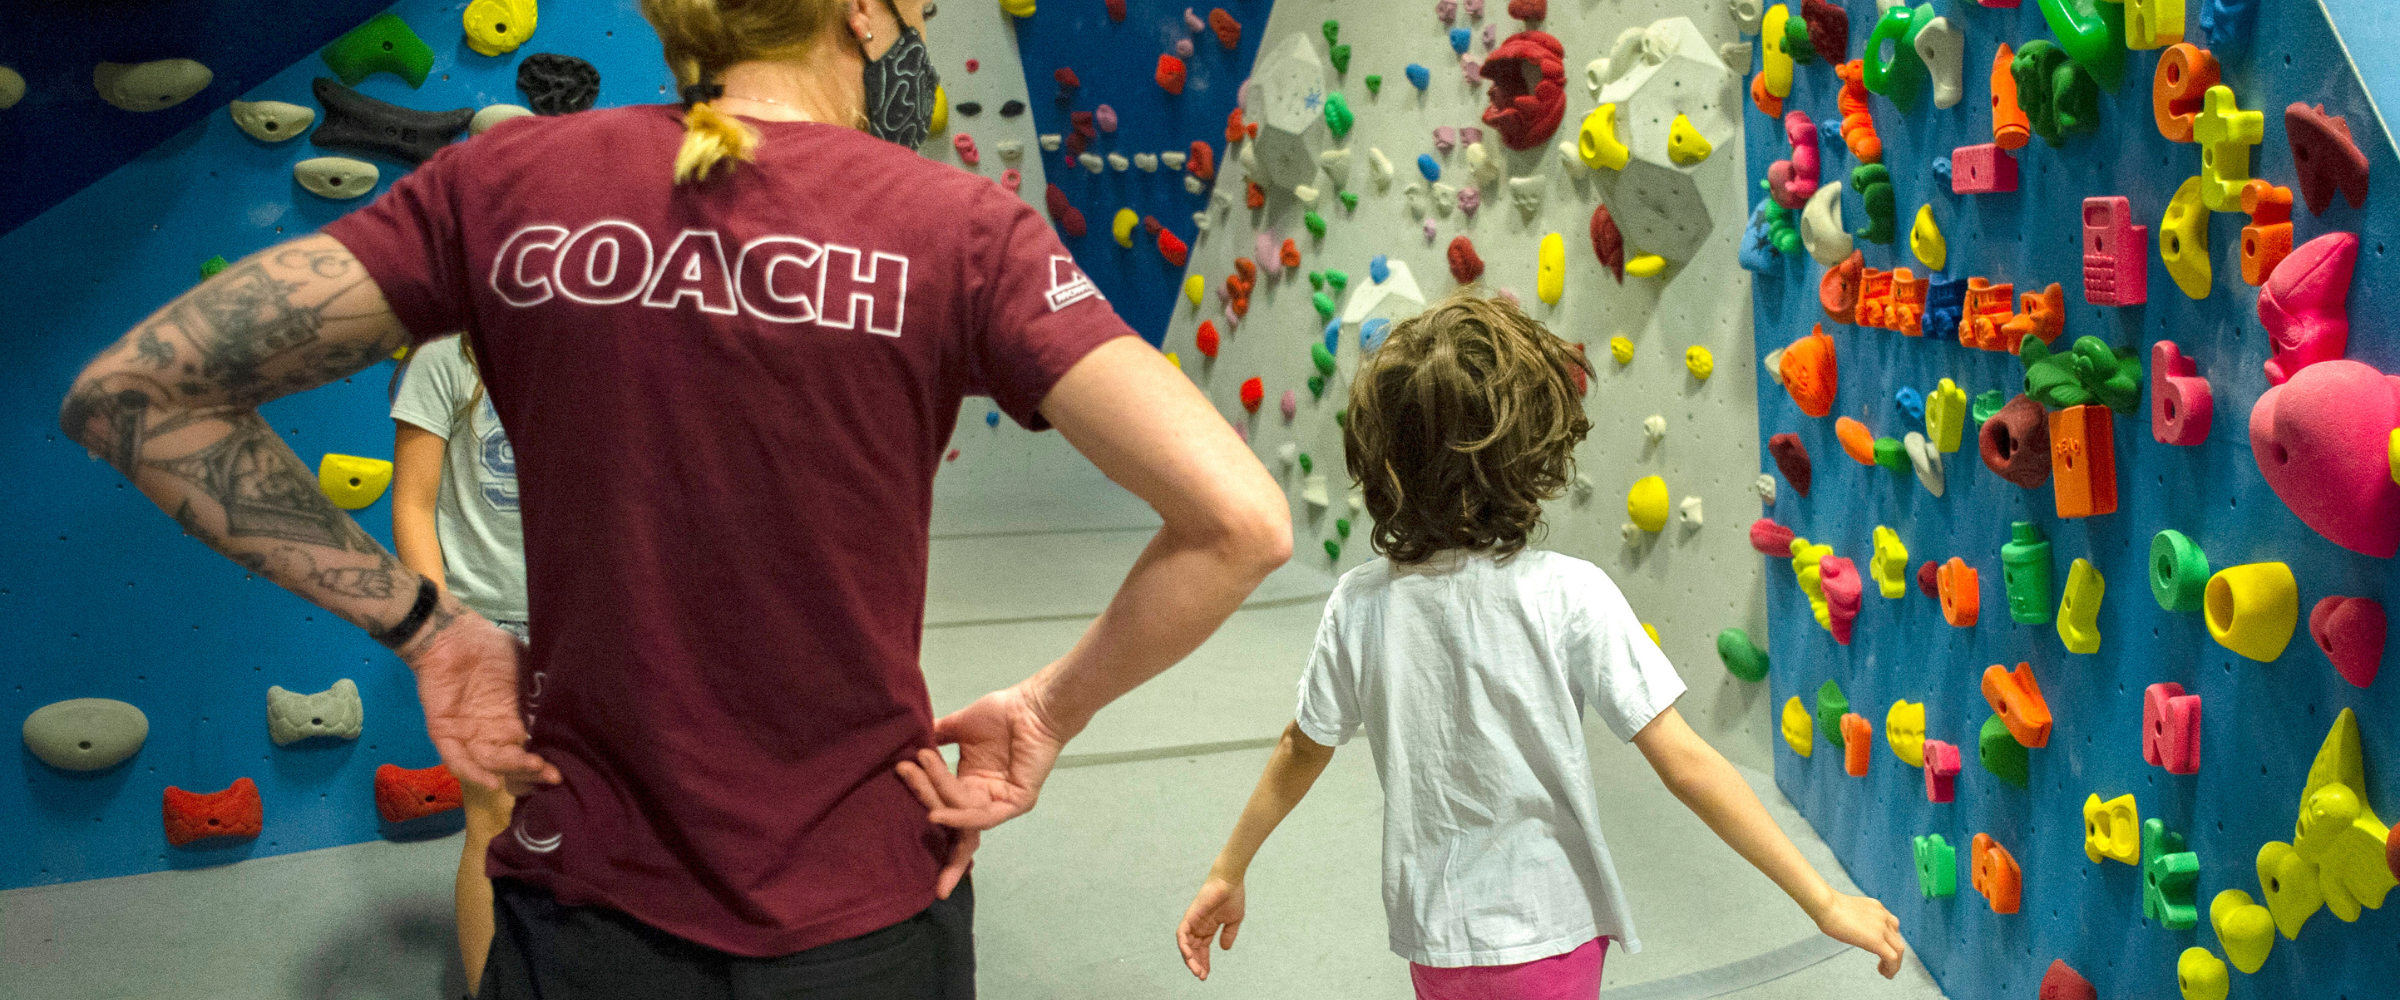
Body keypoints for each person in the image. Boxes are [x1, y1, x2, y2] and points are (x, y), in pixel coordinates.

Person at [57, 0, 1291, 993]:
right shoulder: (964, 230)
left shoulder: (511, 187)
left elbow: (134, 397)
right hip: (863, 914)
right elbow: (1240, 521)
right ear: (864, 15)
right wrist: (1046, 709)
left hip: (580, 902)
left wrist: (424, 630)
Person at [1173, 295, 1905, 999]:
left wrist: (1227, 868)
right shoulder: (1570, 594)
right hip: (1552, 936)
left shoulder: (1358, 604)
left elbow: (1301, 747)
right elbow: (1688, 766)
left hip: (1437, 942)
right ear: (1532, 452)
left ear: (1380, 457)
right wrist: (1823, 900)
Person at [389, 332, 527, 992]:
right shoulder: (444, 356)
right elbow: (413, 502)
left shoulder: (598, 342)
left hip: (592, 622)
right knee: (494, 819)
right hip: (484, 627)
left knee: (597, 817)